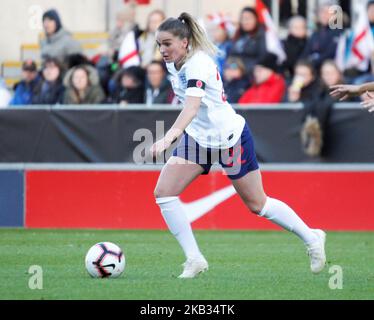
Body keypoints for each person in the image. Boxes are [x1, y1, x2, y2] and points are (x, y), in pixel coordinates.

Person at [151, 12, 327, 279]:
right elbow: (191, 109)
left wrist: (167, 138)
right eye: (159, 45)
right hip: (199, 139)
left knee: (258, 205)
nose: (162, 50)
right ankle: (194, 259)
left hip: (228, 138)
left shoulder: (198, 64)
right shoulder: (173, 62)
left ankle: (313, 238)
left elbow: (192, 106)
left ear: (185, 42)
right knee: (164, 192)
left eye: (167, 43)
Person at [228, 7, 268, 76]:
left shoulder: (262, 35)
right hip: (236, 75)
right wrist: (233, 68)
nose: (245, 22)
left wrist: (242, 71)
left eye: (248, 18)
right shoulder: (239, 36)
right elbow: (232, 56)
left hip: (252, 76)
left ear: (256, 19)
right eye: (242, 19)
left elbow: (262, 59)